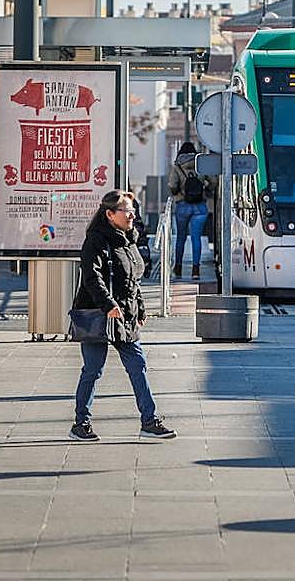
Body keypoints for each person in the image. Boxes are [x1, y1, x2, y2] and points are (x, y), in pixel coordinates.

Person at [69, 189, 176, 442]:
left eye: (133, 210)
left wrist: (140, 307)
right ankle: (80, 423)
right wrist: (108, 305)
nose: (132, 215)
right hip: (99, 313)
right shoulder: (95, 240)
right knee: (93, 370)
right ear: (109, 214)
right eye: (127, 211)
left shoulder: (128, 240)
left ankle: (149, 421)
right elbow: (91, 277)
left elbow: (133, 279)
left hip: (125, 315)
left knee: (138, 365)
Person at [168, 141, 211, 280]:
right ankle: (195, 271)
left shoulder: (177, 166)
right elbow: (214, 182)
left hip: (182, 206)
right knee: (196, 238)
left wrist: (178, 192)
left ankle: (178, 269)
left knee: (180, 238)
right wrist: (206, 191)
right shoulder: (201, 164)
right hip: (200, 206)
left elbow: (172, 185)